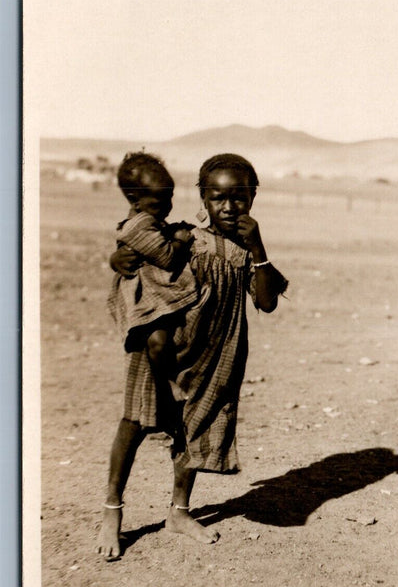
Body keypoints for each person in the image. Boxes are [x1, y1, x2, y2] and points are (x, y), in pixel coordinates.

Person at [97, 153, 288, 559]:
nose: (229, 206)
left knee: (194, 426)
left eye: (240, 197)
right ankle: (112, 511)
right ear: (202, 196)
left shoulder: (247, 252)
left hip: (215, 350)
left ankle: (178, 512)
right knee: (135, 423)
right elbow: (132, 249)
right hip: (163, 345)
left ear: (253, 197)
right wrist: (117, 260)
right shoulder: (184, 236)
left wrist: (258, 246)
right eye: (219, 197)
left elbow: (268, 301)